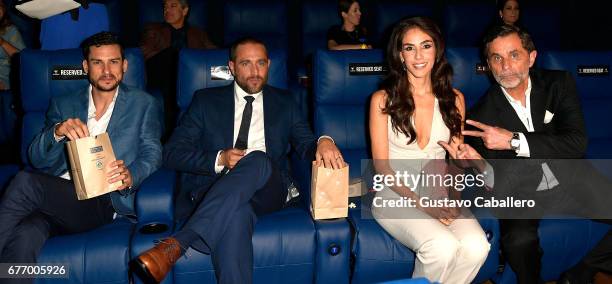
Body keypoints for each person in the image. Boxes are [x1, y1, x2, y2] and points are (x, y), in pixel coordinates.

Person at [132, 37, 345, 283]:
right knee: (236, 215)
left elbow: (307, 144)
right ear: (232, 67)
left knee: (258, 160)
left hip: (268, 189)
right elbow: (171, 153)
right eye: (246, 64)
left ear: (269, 65)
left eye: (261, 63)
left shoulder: (285, 102)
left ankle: (180, 242)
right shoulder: (205, 101)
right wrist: (219, 158)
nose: (255, 72)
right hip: (214, 189)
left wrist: (324, 140)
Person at [0, 31, 162, 281]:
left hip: (103, 199)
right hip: (56, 199)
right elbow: (36, 158)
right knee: (27, 234)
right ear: (86, 66)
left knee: (24, 182)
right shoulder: (62, 104)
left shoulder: (144, 103)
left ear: (125, 65)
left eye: (114, 62)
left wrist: (131, 175)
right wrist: (57, 132)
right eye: (98, 62)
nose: (107, 70)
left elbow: (152, 152)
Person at [464, 24, 606, 283]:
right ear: (488, 65)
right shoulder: (479, 118)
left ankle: (583, 269)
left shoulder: (558, 84)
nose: (505, 65)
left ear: (531, 57)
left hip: (573, 178)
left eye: (514, 55)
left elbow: (576, 144)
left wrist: (514, 141)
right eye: (497, 58)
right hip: (524, 192)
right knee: (518, 242)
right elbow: (499, 186)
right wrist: (477, 165)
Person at [368, 17, 490, 283]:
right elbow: (382, 167)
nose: (418, 55)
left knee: (477, 247)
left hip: (438, 191)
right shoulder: (382, 100)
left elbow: (455, 161)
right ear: (400, 55)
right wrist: (425, 205)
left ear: (437, 50)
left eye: (426, 45)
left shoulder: (454, 99)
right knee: (441, 247)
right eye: (409, 48)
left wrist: (454, 198)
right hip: (395, 196)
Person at [140, 0, 216, 140]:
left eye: (172, 6)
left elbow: (214, 54)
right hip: (160, 72)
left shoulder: (197, 33)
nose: (167, 10)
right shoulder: (154, 30)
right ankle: (171, 133)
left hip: (189, 76)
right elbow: (144, 53)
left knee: (215, 69)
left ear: (185, 10)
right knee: (173, 56)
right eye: (165, 7)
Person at [0, 0, 25, 90]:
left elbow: (23, 59)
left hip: (3, 81)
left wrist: (3, 43)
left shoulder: (11, 31)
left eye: (0, 5)